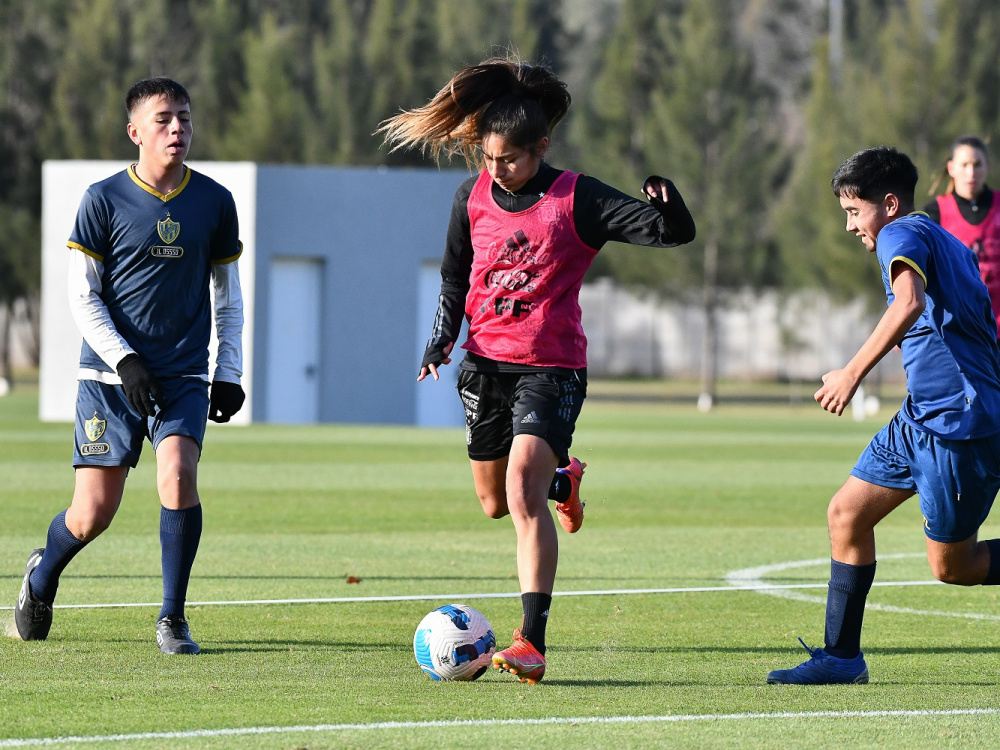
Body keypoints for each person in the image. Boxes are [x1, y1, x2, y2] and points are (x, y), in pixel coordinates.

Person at [380, 57, 696, 683]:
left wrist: (672, 204)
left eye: (510, 160)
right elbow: (453, 274)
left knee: (521, 492)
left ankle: (532, 640)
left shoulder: (576, 197)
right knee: (496, 502)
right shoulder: (469, 197)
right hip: (484, 367)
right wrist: (440, 340)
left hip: (550, 369)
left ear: (540, 147)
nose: (497, 170)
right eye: (489, 158)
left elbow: (672, 233)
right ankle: (564, 481)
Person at [14, 77, 246, 655]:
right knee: (92, 514)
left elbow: (228, 297)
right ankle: (41, 577)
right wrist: (126, 360)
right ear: (134, 131)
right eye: (164, 119)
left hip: (183, 375)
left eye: (185, 118)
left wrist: (230, 371)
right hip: (108, 379)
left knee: (178, 477)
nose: (177, 129)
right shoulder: (102, 199)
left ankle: (172, 618)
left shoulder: (214, 200)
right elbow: (82, 295)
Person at [767, 146, 1000, 685]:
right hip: (921, 419)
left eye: (854, 211)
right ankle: (842, 657)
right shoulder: (947, 242)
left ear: (889, 203)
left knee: (953, 567)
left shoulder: (898, 234)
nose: (850, 225)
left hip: (957, 429)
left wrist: (851, 372)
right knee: (846, 514)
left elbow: (909, 302)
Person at [922, 135, 1000, 340]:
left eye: (977, 164)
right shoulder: (934, 213)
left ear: (988, 167)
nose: (971, 172)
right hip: (959, 331)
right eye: (964, 165)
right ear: (951, 168)